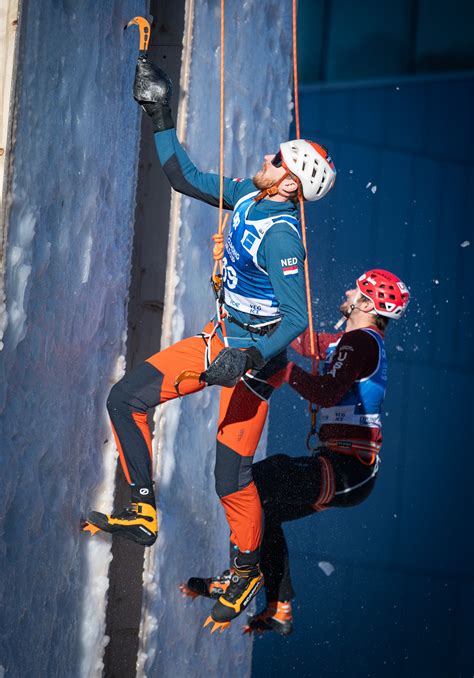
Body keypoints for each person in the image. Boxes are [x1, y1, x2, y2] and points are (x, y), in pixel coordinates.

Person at [83, 56, 336, 629]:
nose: (267, 158)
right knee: (126, 398)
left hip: (251, 365)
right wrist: (159, 109)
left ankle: (246, 567)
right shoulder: (250, 196)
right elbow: (185, 178)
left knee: (230, 478)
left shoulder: (283, 236)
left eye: (277, 160)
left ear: (290, 181)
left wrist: (247, 357)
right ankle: (143, 509)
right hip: (217, 341)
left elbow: (297, 318)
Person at [182, 269, 409, 634]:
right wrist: (269, 306)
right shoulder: (351, 342)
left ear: (366, 304)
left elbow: (325, 393)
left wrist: (285, 370)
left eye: (357, 289)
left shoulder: (360, 343)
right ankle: (278, 606)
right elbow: (306, 343)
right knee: (265, 509)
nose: (349, 290)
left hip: (349, 469)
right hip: (345, 468)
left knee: (256, 482)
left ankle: (239, 579)